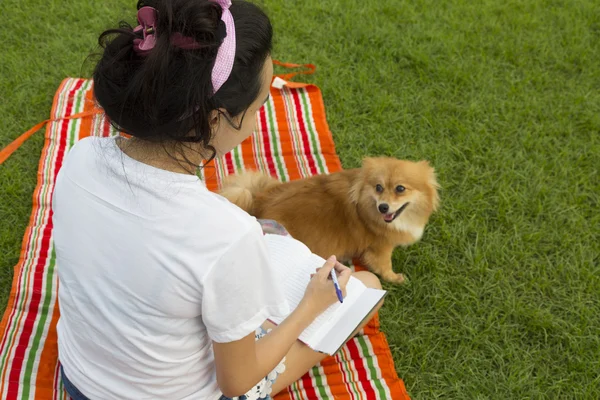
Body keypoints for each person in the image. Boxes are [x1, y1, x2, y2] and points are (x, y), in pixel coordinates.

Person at [52, 0, 382, 399]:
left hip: (79, 379)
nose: (259, 119)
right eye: (259, 106)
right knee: (362, 286)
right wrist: (312, 306)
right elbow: (236, 382)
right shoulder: (225, 235)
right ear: (214, 120)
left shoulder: (80, 157)